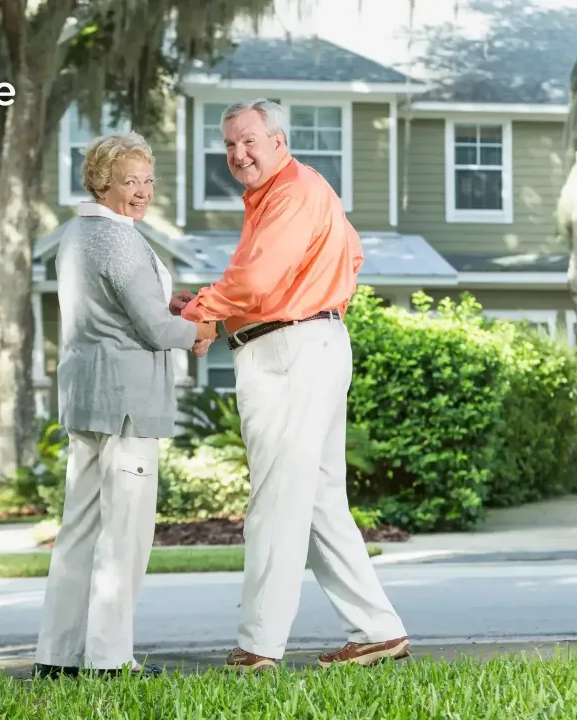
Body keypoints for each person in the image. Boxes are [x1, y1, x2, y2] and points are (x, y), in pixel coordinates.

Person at [171, 100, 410, 672]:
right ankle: (377, 630)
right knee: (321, 502)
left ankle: (258, 647)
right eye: (229, 145)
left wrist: (202, 311)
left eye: (249, 140)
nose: (238, 153)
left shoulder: (291, 191)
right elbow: (346, 255)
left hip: (288, 353)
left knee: (275, 500)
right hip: (312, 344)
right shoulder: (296, 192)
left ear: (278, 140)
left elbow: (256, 278)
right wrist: (213, 307)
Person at [34, 131, 217, 679]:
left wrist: (172, 307)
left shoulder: (78, 233)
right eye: (130, 181)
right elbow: (156, 328)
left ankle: (58, 656)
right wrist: (200, 328)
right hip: (126, 406)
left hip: (90, 400)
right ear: (101, 182)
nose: (142, 192)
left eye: (148, 180)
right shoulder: (115, 238)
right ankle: (109, 662)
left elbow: (122, 307)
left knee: (80, 530)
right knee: (124, 534)